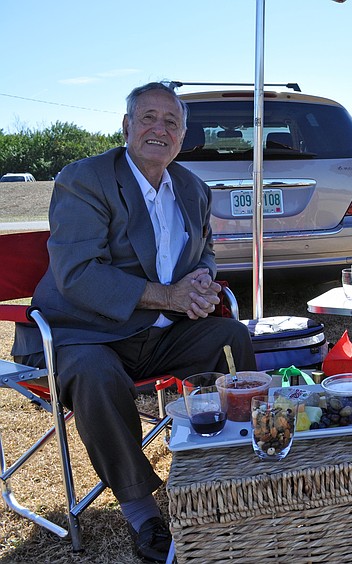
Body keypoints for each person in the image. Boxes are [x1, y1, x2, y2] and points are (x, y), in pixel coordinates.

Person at [12, 82, 257, 562]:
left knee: (230, 336)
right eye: (148, 118)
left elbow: (202, 250)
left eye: (171, 122)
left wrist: (203, 279)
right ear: (126, 126)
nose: (159, 129)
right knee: (93, 373)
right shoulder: (84, 179)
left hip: (159, 334)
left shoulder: (191, 187)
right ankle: (143, 512)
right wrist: (169, 295)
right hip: (87, 331)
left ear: (183, 135)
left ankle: (239, 468)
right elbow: (78, 274)